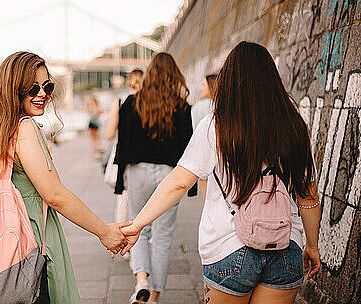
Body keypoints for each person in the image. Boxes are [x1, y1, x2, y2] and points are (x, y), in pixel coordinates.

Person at [120, 42, 321, 304]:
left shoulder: (216, 125)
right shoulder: (294, 124)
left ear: (229, 80)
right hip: (285, 246)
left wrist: (137, 224)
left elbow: (179, 183)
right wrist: (312, 246)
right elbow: (308, 194)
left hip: (229, 248)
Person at [0, 51, 129, 303]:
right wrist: (104, 232)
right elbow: (54, 195)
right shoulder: (24, 128)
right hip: (31, 242)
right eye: (33, 88)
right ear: (13, 89)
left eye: (47, 86)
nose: (42, 94)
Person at [113, 53, 193, 304]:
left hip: (138, 172)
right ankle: (155, 296)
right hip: (170, 175)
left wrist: (120, 181)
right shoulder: (182, 108)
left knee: (138, 227)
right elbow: (187, 148)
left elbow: (122, 145)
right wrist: (189, 188)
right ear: (174, 76)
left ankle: (141, 281)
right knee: (163, 234)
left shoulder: (131, 103)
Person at [104, 69, 143, 225]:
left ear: (129, 82)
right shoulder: (151, 101)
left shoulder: (120, 100)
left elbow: (109, 134)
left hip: (124, 155)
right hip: (144, 156)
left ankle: (122, 241)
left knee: (124, 200)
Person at [190, 74, 218, 198]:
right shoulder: (224, 107)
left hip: (204, 157)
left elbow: (193, 131)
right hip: (222, 158)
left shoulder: (199, 107)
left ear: (211, 86)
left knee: (208, 199)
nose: (201, 88)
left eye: (203, 85)